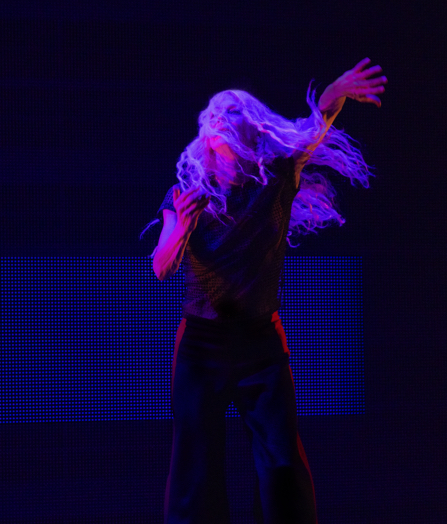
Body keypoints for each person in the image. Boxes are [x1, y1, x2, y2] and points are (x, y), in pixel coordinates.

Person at [152, 58, 386, 524]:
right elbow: (161, 264)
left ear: (248, 137)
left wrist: (336, 92)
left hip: (261, 344)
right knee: (194, 472)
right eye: (215, 129)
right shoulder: (188, 192)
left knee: (281, 466)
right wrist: (180, 230)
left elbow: (313, 127)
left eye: (233, 125)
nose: (221, 132)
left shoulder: (275, 174)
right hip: (202, 347)